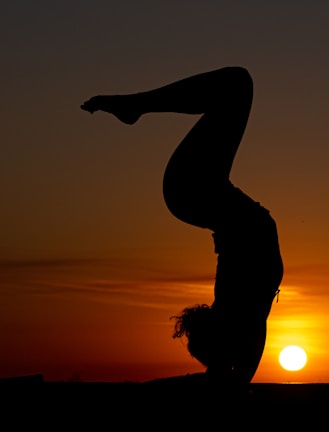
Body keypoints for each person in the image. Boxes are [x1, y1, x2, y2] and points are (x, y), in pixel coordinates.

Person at [81, 67, 284, 392]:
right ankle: (135, 105)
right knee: (235, 85)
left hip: (196, 191)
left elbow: (238, 364)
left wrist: (226, 375)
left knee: (237, 84)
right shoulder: (245, 315)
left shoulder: (237, 304)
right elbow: (241, 364)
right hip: (198, 193)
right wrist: (229, 377)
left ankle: (135, 105)